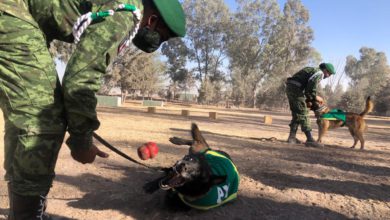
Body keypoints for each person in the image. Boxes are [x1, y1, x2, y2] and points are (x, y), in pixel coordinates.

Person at [0, 0, 186, 219]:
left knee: (34, 111)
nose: (158, 44)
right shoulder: (127, 11)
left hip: (22, 14)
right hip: (11, 9)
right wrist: (81, 141)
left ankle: (23, 212)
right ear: (152, 20)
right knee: (42, 115)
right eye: (162, 37)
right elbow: (79, 81)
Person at [285, 63, 335, 148]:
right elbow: (310, 89)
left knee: (297, 113)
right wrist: (316, 97)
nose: (329, 76)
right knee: (303, 112)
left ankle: (292, 137)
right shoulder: (319, 73)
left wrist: (310, 99)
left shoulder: (312, 70)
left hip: (291, 88)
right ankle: (310, 139)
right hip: (296, 89)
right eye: (329, 73)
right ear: (326, 70)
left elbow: (307, 89)